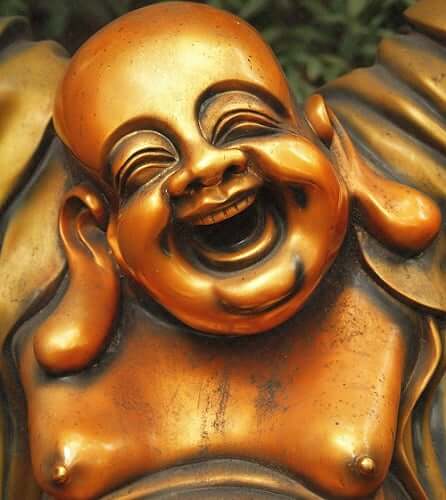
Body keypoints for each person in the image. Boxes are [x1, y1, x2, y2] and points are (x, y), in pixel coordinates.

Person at [0, 1, 444, 499]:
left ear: (324, 137)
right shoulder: (37, 265)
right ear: (94, 227)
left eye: (241, 124)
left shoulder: (388, 274)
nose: (206, 167)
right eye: (146, 165)